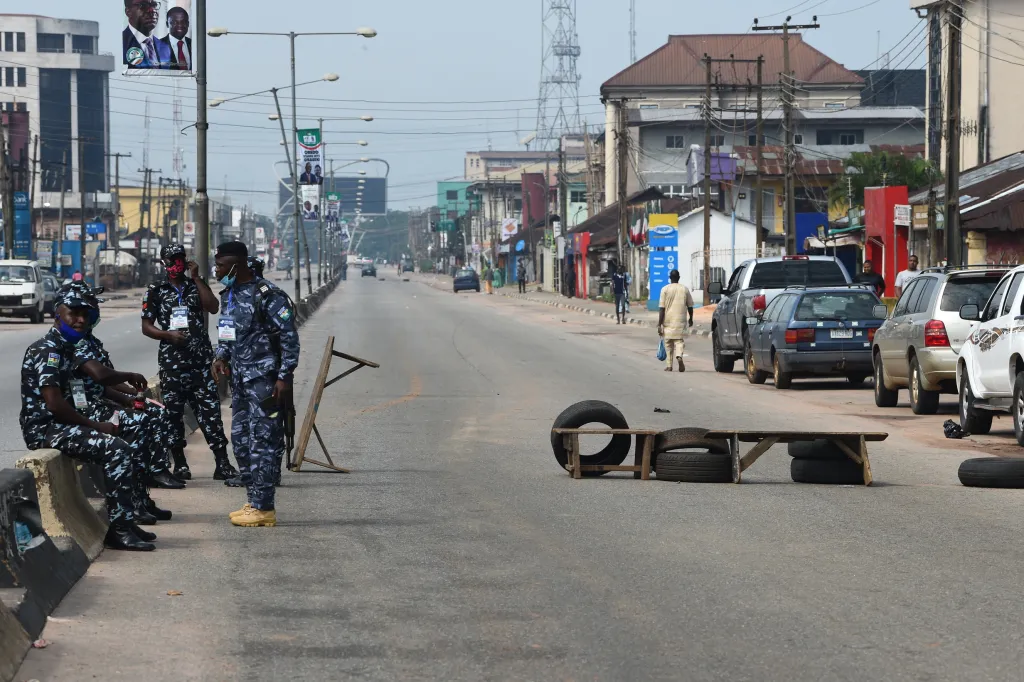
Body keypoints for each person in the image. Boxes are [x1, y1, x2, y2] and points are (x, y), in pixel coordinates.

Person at [21, 285, 154, 550]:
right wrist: (97, 426)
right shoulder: (49, 351)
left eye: (85, 314)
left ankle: (125, 520)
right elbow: (54, 404)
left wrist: (123, 402)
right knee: (116, 449)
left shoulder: (66, 348)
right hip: (46, 428)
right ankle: (119, 530)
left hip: (62, 424)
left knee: (125, 440)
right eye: (73, 313)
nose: (80, 320)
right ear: (57, 314)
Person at [212, 242, 300, 528]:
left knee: (262, 442)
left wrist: (284, 377)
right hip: (240, 380)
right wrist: (221, 356)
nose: (217, 270)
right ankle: (253, 500)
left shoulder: (269, 296)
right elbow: (226, 330)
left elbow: (289, 339)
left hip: (264, 382)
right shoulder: (230, 295)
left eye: (222, 266)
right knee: (241, 441)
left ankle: (265, 508)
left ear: (237, 265)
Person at [142, 244, 240, 485]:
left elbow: (214, 307)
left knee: (210, 414)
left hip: (199, 363)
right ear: (163, 262)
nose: (175, 264)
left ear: (185, 261)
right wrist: (167, 335)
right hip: (172, 364)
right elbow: (146, 326)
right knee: (173, 416)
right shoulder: (156, 290)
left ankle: (222, 463)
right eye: (170, 259)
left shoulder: (195, 285)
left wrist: (196, 278)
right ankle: (181, 465)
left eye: (179, 259)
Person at [658, 269, 694, 373]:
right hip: (681, 320)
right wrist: (691, 318)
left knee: (668, 343)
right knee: (679, 341)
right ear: (679, 278)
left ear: (670, 278)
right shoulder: (684, 289)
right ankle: (679, 356)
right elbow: (690, 306)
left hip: (667, 320)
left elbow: (662, 308)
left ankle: (669, 366)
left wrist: (659, 324)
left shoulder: (664, 289)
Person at [122, 0, 171, 69]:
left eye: (154, 5)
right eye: (143, 5)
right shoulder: (120, 44)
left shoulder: (165, 48)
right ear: (128, 12)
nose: (152, 10)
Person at [159, 6, 192, 71]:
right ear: (167, 24)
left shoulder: (195, 45)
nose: (180, 25)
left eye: (183, 22)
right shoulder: (157, 46)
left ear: (188, 24)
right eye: (174, 22)